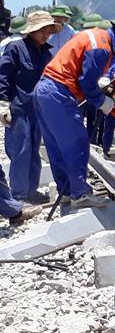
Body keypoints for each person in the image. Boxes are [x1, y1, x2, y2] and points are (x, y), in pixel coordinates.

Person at [34, 17, 115, 209]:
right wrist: (103, 102)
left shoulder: (97, 37)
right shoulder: (102, 47)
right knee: (77, 143)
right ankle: (80, 194)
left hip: (46, 90)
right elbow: (87, 82)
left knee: (57, 146)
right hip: (59, 92)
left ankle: (68, 191)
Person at [0, 11, 56, 202]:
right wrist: (3, 105)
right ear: (31, 30)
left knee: (34, 151)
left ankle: (31, 191)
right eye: (42, 30)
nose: (46, 34)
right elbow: (3, 77)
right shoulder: (15, 48)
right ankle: (19, 195)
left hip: (38, 110)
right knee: (20, 151)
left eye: (48, 30)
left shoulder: (47, 53)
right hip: (19, 109)